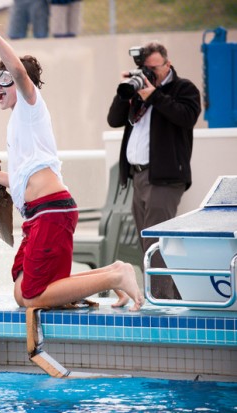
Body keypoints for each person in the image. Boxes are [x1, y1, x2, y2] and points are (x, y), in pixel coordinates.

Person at [0, 6, 144, 311]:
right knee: (22, 291)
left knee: (33, 295)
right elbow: (20, 178)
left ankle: (116, 277)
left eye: (4, 77)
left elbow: (18, 70)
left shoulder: (31, 106)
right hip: (39, 215)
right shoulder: (19, 123)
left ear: (21, 82)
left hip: (51, 212)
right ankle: (114, 271)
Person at [107, 41, 201, 300]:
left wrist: (155, 96)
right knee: (146, 242)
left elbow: (186, 117)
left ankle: (160, 302)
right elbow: (114, 120)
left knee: (156, 243)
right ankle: (171, 298)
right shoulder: (138, 90)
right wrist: (125, 92)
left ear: (168, 64)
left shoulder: (184, 89)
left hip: (165, 179)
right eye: (144, 69)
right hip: (138, 176)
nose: (149, 73)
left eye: (153, 68)